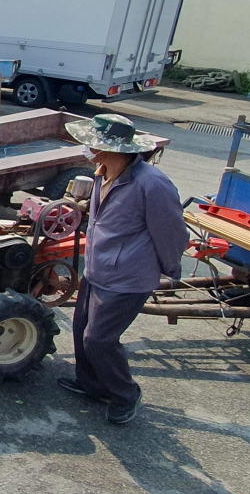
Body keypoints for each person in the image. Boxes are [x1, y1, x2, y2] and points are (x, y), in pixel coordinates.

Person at [59, 114, 188, 425]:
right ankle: (92, 385)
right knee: (81, 331)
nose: (86, 148)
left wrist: (171, 269)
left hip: (127, 278)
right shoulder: (103, 173)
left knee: (99, 340)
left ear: (110, 148)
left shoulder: (151, 184)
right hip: (97, 269)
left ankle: (125, 393)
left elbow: (173, 233)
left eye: (92, 144)